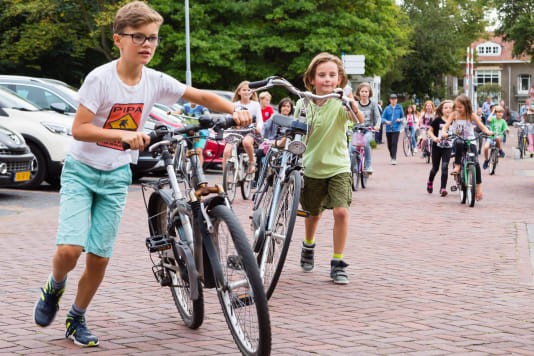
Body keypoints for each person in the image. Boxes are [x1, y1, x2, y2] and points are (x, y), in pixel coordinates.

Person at [32, 1, 251, 348]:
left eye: (153, 38)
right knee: (71, 250)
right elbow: (79, 129)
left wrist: (237, 109)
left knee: (100, 257)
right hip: (82, 171)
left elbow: (202, 96)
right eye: (139, 37)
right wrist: (121, 135)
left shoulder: (154, 81)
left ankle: (76, 316)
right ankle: (54, 285)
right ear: (119, 39)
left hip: (117, 174)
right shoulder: (100, 79)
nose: (147, 44)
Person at [298, 52, 363, 285]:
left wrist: (352, 103)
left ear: (339, 80)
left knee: (341, 211)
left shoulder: (340, 103)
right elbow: (295, 133)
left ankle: (337, 262)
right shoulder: (303, 103)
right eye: (322, 75)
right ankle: (308, 244)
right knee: (313, 214)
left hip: (339, 166)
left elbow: (358, 119)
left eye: (332, 75)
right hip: (311, 167)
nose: (327, 79)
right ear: (312, 79)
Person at [442, 94, 492, 201]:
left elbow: (482, 126)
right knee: (459, 142)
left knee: (476, 162)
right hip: (457, 138)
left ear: (467, 106)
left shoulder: (471, 115)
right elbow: (446, 126)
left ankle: (478, 188)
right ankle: (457, 165)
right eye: (457, 107)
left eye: (460, 107)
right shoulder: (454, 115)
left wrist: (487, 131)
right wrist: (444, 132)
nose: (458, 109)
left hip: (470, 140)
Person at [222, 81, 263, 173]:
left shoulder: (255, 104)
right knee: (226, 152)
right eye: (244, 90)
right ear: (239, 92)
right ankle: (225, 176)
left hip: (250, 130)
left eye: (249, 90)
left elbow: (260, 120)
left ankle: (252, 161)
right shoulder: (234, 104)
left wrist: (259, 127)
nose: (246, 92)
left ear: (252, 92)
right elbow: (228, 117)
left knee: (247, 143)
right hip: (235, 130)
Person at [254, 97, 294, 183]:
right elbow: (265, 127)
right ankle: (257, 179)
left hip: (286, 144)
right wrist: (260, 134)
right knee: (259, 153)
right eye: (283, 106)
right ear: (280, 107)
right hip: (273, 142)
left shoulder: (293, 120)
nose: (286, 108)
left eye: (288, 106)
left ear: (291, 109)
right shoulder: (274, 117)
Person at [426, 100, 454, 196]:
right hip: (437, 147)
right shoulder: (437, 120)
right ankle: (430, 181)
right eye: (446, 108)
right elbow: (430, 131)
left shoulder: (454, 121)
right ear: (442, 110)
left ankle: (443, 188)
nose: (448, 109)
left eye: (450, 108)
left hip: (448, 147)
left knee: (445, 166)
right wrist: (434, 138)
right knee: (435, 168)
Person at [353, 82, 381, 173]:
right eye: (362, 91)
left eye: (366, 91)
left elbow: (378, 117)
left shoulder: (373, 104)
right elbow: (350, 116)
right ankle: (354, 165)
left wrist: (377, 125)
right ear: (359, 93)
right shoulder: (355, 104)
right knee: (352, 147)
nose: (364, 93)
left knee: (365, 142)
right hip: (357, 129)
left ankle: (368, 166)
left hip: (369, 130)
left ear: (369, 93)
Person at [381, 93, 404, 164]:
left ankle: (394, 158)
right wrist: (386, 121)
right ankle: (392, 156)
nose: (393, 101)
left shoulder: (399, 107)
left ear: (396, 100)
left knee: (394, 143)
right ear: (390, 100)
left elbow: (403, 117)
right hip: (388, 129)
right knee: (389, 145)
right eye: (392, 99)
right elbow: (382, 118)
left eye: (395, 99)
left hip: (396, 129)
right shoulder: (387, 108)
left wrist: (400, 120)